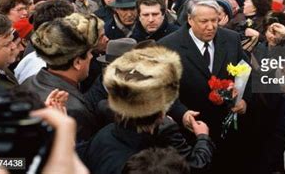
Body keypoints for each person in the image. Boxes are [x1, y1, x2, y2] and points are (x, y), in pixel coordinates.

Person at [82, 44, 214, 174]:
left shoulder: (102, 135)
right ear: (161, 115)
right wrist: (202, 137)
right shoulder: (155, 153)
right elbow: (195, 166)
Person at [158, 0, 250, 172]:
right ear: (190, 20)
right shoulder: (168, 46)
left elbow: (246, 71)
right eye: (204, 21)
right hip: (189, 134)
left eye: (215, 20)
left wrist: (245, 100)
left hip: (227, 131)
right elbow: (163, 90)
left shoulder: (231, 39)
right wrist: (182, 113)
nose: (211, 26)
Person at [22, 13, 104, 142]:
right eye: (88, 53)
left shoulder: (29, 82)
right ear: (77, 62)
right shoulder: (73, 109)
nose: (91, 57)